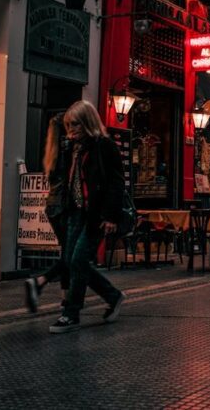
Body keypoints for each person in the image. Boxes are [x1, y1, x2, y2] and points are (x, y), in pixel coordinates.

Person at [48, 100, 126, 334]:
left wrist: (110, 216)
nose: (71, 130)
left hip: (95, 215)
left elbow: (116, 182)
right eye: (68, 126)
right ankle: (113, 296)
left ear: (87, 123)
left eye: (75, 125)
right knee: (73, 262)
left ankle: (71, 313)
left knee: (78, 260)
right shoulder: (72, 148)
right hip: (74, 212)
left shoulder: (104, 146)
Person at [25, 115, 71, 313]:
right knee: (71, 254)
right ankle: (40, 281)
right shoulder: (67, 149)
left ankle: (65, 297)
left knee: (67, 252)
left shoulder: (51, 151)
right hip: (64, 206)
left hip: (52, 206)